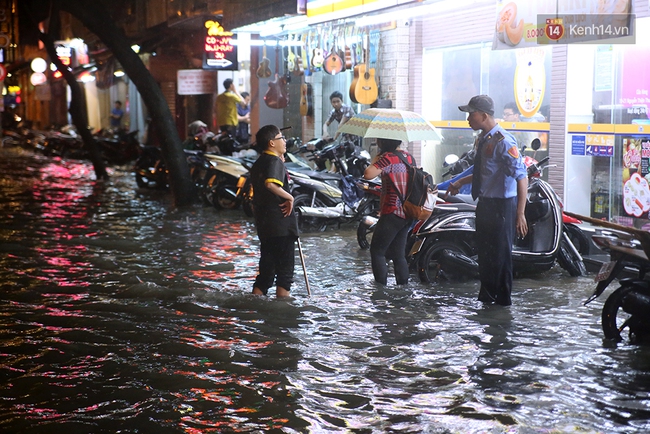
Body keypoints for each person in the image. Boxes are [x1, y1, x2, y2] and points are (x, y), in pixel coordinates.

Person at [446, 95, 528, 306]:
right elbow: (483, 172)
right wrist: (458, 182)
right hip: (485, 205)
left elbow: (522, 176)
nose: (467, 119)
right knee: (485, 255)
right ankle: (487, 299)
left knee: (500, 258)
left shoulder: (504, 141)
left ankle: (502, 303)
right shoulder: (484, 139)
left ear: (483, 115)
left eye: (470, 114)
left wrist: (520, 214)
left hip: (502, 207)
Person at [249, 124, 298, 298]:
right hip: (281, 225)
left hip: (265, 226)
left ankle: (255, 302)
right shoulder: (274, 161)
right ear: (271, 143)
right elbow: (270, 184)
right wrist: (290, 198)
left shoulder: (259, 162)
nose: (284, 141)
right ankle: (283, 316)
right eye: (280, 138)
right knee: (285, 274)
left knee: (266, 274)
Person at [363, 137, 415, 286]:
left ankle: (380, 290)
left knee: (377, 252)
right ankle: (403, 287)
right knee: (399, 255)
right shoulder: (408, 157)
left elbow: (368, 174)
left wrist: (375, 158)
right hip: (408, 212)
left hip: (392, 211)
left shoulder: (387, 158)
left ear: (383, 142)